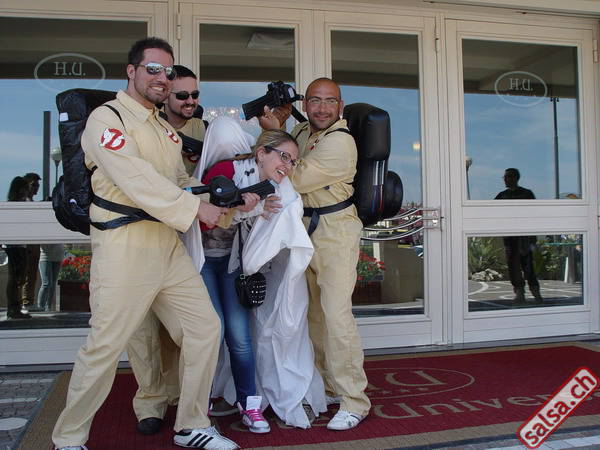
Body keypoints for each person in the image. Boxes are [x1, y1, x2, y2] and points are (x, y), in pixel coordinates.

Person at [51, 37, 238, 450]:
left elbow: (177, 182)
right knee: (105, 346)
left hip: (166, 245)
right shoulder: (107, 119)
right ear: (132, 71)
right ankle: (68, 438)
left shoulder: (164, 131)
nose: (161, 77)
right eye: (153, 68)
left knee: (204, 329)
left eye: (167, 71)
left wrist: (228, 199)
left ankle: (191, 424)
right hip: (125, 245)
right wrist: (196, 209)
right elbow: (136, 179)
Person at [186, 116, 326, 429]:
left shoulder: (274, 185)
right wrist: (245, 210)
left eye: (293, 161)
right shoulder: (225, 170)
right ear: (261, 153)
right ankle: (198, 403)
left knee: (240, 336)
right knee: (212, 331)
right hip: (204, 261)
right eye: (284, 156)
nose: (287, 165)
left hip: (233, 264)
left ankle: (249, 404)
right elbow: (202, 220)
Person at [259, 77, 371, 430]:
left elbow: (293, 177)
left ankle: (354, 399)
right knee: (314, 318)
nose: (322, 108)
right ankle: (328, 388)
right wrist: (280, 131)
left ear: (340, 105)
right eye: (315, 100)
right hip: (304, 228)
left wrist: (273, 135)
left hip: (335, 231)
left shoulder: (341, 141)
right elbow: (275, 163)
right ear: (305, 103)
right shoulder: (302, 131)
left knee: (336, 317)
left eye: (330, 101)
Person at [127, 64, 206, 436]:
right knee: (142, 329)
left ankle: (181, 400)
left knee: (186, 327)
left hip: (182, 240)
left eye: (195, 95)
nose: (190, 101)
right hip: (136, 237)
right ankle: (151, 403)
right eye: (182, 95)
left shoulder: (202, 129)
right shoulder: (143, 126)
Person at [495, 168, 543, 303]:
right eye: (504, 177)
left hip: (525, 236)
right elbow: (492, 211)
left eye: (507, 177)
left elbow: (534, 214)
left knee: (528, 266)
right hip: (509, 237)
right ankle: (519, 293)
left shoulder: (526, 194)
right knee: (513, 266)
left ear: (515, 178)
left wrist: (533, 235)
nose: (505, 179)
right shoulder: (502, 196)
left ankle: (536, 293)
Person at [3, 176, 31, 319]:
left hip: (19, 245)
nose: (27, 191)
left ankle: (15, 307)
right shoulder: (14, 206)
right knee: (15, 277)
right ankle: (13, 308)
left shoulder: (21, 204)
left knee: (18, 277)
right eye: (26, 188)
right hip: (15, 246)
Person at [21, 172, 41, 313]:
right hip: (25, 244)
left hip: (33, 243)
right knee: (26, 273)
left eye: (37, 185)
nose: (36, 188)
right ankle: (25, 301)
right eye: (34, 185)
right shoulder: (23, 203)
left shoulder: (32, 202)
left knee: (32, 273)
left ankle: (29, 300)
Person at [37, 243, 64, 311]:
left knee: (53, 283)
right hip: (45, 256)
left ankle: (48, 306)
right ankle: (40, 306)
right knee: (46, 283)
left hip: (58, 256)